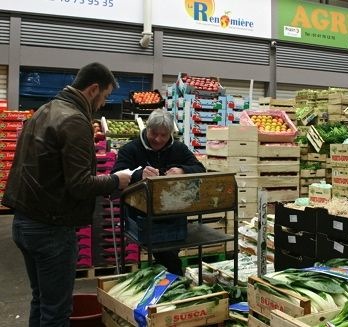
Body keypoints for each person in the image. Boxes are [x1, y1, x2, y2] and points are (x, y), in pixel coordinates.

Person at [1, 62, 132, 327]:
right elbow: (80, 184)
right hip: (52, 227)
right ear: (93, 89)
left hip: (25, 222)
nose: (103, 104)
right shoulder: (74, 120)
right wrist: (116, 180)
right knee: (57, 312)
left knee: (41, 301)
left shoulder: (44, 111)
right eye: (105, 96)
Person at [111, 108, 206, 276]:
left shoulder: (178, 149)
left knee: (169, 249)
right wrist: (139, 174)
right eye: (154, 134)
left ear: (170, 133)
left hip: (173, 213)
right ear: (147, 129)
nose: (158, 139)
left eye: (164, 135)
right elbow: (116, 175)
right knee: (166, 254)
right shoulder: (131, 149)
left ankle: (167, 277)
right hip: (140, 214)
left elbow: (200, 169)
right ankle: (173, 276)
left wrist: (182, 170)